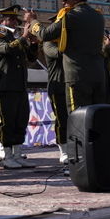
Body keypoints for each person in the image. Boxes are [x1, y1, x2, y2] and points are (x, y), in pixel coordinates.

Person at [26, 0, 106, 113]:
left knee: (77, 117)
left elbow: (45, 35)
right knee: (96, 116)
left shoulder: (71, 16)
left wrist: (33, 21)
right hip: (98, 75)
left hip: (77, 76)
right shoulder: (98, 16)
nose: (63, 3)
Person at [0, 5, 38, 169]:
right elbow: (6, 50)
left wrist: (33, 42)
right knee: (7, 121)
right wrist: (24, 37)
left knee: (20, 120)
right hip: (4, 86)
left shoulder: (16, 38)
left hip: (19, 85)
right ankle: (7, 155)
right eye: (9, 19)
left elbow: (31, 57)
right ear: (2, 21)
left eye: (14, 19)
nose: (13, 22)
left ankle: (18, 154)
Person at [42, 15, 68, 164]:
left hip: (69, 85)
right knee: (61, 119)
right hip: (57, 86)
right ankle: (63, 150)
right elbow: (59, 53)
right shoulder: (48, 43)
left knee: (73, 120)